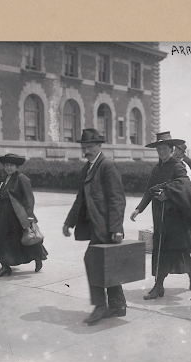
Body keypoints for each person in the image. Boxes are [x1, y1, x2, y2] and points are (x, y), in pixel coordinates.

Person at [63, 128, 127, 326]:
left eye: (90, 146)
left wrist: (117, 228)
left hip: (107, 227)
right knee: (108, 263)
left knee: (92, 261)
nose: (86, 150)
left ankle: (101, 306)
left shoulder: (107, 166)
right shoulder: (87, 169)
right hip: (96, 227)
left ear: (99, 146)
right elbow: (80, 199)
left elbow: (117, 199)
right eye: (84, 146)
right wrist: (69, 222)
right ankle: (117, 305)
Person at [130, 132, 191, 300]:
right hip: (159, 215)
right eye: (159, 149)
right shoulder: (156, 169)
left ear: (172, 149)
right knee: (163, 249)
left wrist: (168, 194)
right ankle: (167, 282)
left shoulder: (178, 166)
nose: (161, 151)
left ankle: (160, 285)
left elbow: (185, 186)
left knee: (173, 250)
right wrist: (139, 208)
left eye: (164, 148)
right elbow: (149, 190)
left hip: (175, 217)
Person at [0, 153, 48, 277]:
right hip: (5, 216)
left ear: (17, 166)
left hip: (19, 217)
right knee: (3, 241)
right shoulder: (4, 179)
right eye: (6, 165)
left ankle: (37, 258)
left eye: (11, 165)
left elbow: (29, 199)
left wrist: (29, 217)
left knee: (26, 239)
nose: (8, 168)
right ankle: (5, 267)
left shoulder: (22, 178)